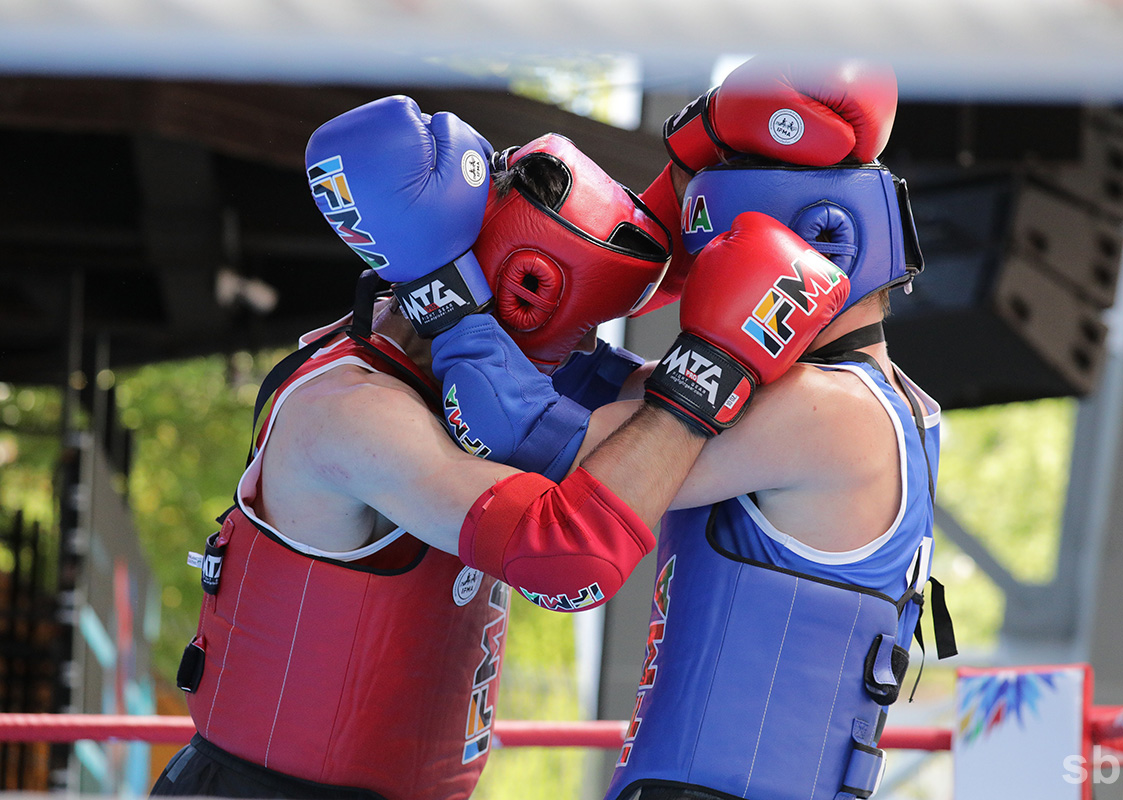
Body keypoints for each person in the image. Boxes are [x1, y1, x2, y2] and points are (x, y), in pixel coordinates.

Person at [150, 85, 847, 800]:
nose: (587, 357)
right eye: (580, 331)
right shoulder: (355, 414)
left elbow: (650, 363)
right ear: (523, 294)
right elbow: (565, 558)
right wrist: (711, 371)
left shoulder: (461, 351)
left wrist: (704, 142)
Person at [434, 60, 956, 800]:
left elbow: (528, 436)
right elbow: (589, 384)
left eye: (721, 255)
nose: (706, 276)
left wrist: (440, 287)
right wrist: (609, 238)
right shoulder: (879, 405)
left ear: (819, 245)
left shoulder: (827, 413)